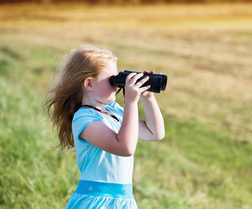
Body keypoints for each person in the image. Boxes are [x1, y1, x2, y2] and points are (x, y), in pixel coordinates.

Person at [45, 45, 165, 209]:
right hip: (96, 201)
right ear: (89, 84)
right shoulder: (84, 118)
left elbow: (155, 133)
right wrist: (130, 101)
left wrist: (147, 97)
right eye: (111, 79)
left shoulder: (114, 111)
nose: (117, 85)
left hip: (125, 201)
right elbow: (125, 147)